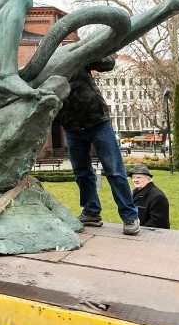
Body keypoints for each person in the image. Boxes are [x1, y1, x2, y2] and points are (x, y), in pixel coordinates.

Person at [55, 56, 141, 235]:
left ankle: (130, 215)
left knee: (115, 170)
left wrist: (94, 52)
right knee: (82, 173)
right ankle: (91, 213)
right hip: (71, 127)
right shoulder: (47, 74)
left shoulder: (76, 60)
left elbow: (107, 63)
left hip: (97, 122)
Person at [130, 164, 170, 229]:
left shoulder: (158, 197)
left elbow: (157, 224)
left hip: (153, 235)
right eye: (133, 177)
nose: (135, 180)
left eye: (139, 177)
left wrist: (138, 230)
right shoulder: (135, 192)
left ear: (148, 179)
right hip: (137, 232)